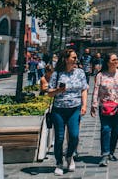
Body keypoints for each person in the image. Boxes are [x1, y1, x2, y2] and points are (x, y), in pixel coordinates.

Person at [47, 48, 89, 176]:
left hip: (74, 108)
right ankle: (59, 163)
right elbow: (49, 93)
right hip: (59, 109)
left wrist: (84, 105)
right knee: (59, 138)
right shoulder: (57, 74)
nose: (76, 60)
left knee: (74, 135)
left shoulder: (80, 73)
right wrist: (59, 90)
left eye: (76, 57)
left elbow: (84, 89)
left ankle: (69, 156)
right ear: (66, 59)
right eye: (73, 57)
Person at [90, 53, 118, 167]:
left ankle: (111, 152)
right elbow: (96, 91)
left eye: (117, 60)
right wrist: (94, 106)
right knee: (105, 129)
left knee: (115, 130)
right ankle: (104, 154)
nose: (116, 61)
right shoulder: (100, 75)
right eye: (114, 60)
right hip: (104, 106)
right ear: (108, 62)